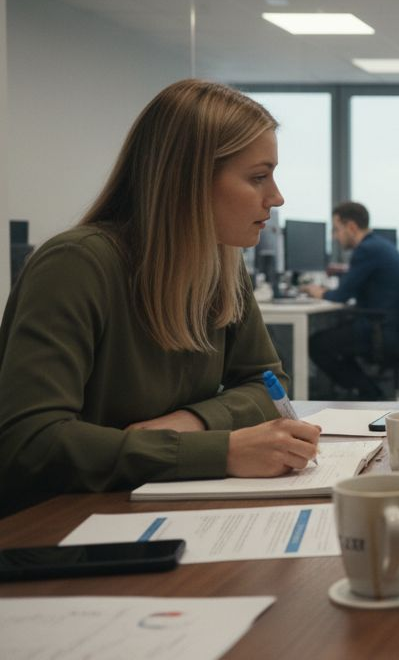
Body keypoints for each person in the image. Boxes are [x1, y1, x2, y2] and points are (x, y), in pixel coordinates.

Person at [0, 79, 321, 516]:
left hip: (163, 505)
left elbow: (268, 385)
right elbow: (30, 443)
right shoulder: (75, 266)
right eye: (258, 177)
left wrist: (193, 423)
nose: (276, 197)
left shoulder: (222, 266)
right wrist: (218, 451)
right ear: (187, 180)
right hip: (66, 522)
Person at [301, 201, 399, 399]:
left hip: (383, 330)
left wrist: (316, 291)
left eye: (337, 229)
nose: (335, 237)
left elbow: (340, 295)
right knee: (333, 337)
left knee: (318, 344)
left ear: (351, 227)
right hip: (396, 326)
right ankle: (364, 390)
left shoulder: (366, 250)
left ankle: (369, 393)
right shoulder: (380, 245)